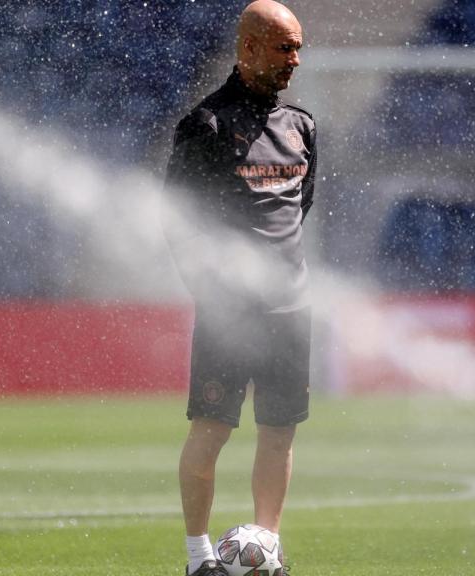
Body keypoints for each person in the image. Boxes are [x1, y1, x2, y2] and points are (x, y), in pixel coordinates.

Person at [162, 1, 315, 575]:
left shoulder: (301, 126)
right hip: (231, 316)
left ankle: (267, 548)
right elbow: (177, 223)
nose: (294, 59)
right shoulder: (205, 125)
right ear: (248, 47)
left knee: (279, 431)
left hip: (291, 309)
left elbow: (299, 210)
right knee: (212, 430)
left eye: (298, 47)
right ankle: (199, 556)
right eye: (284, 47)